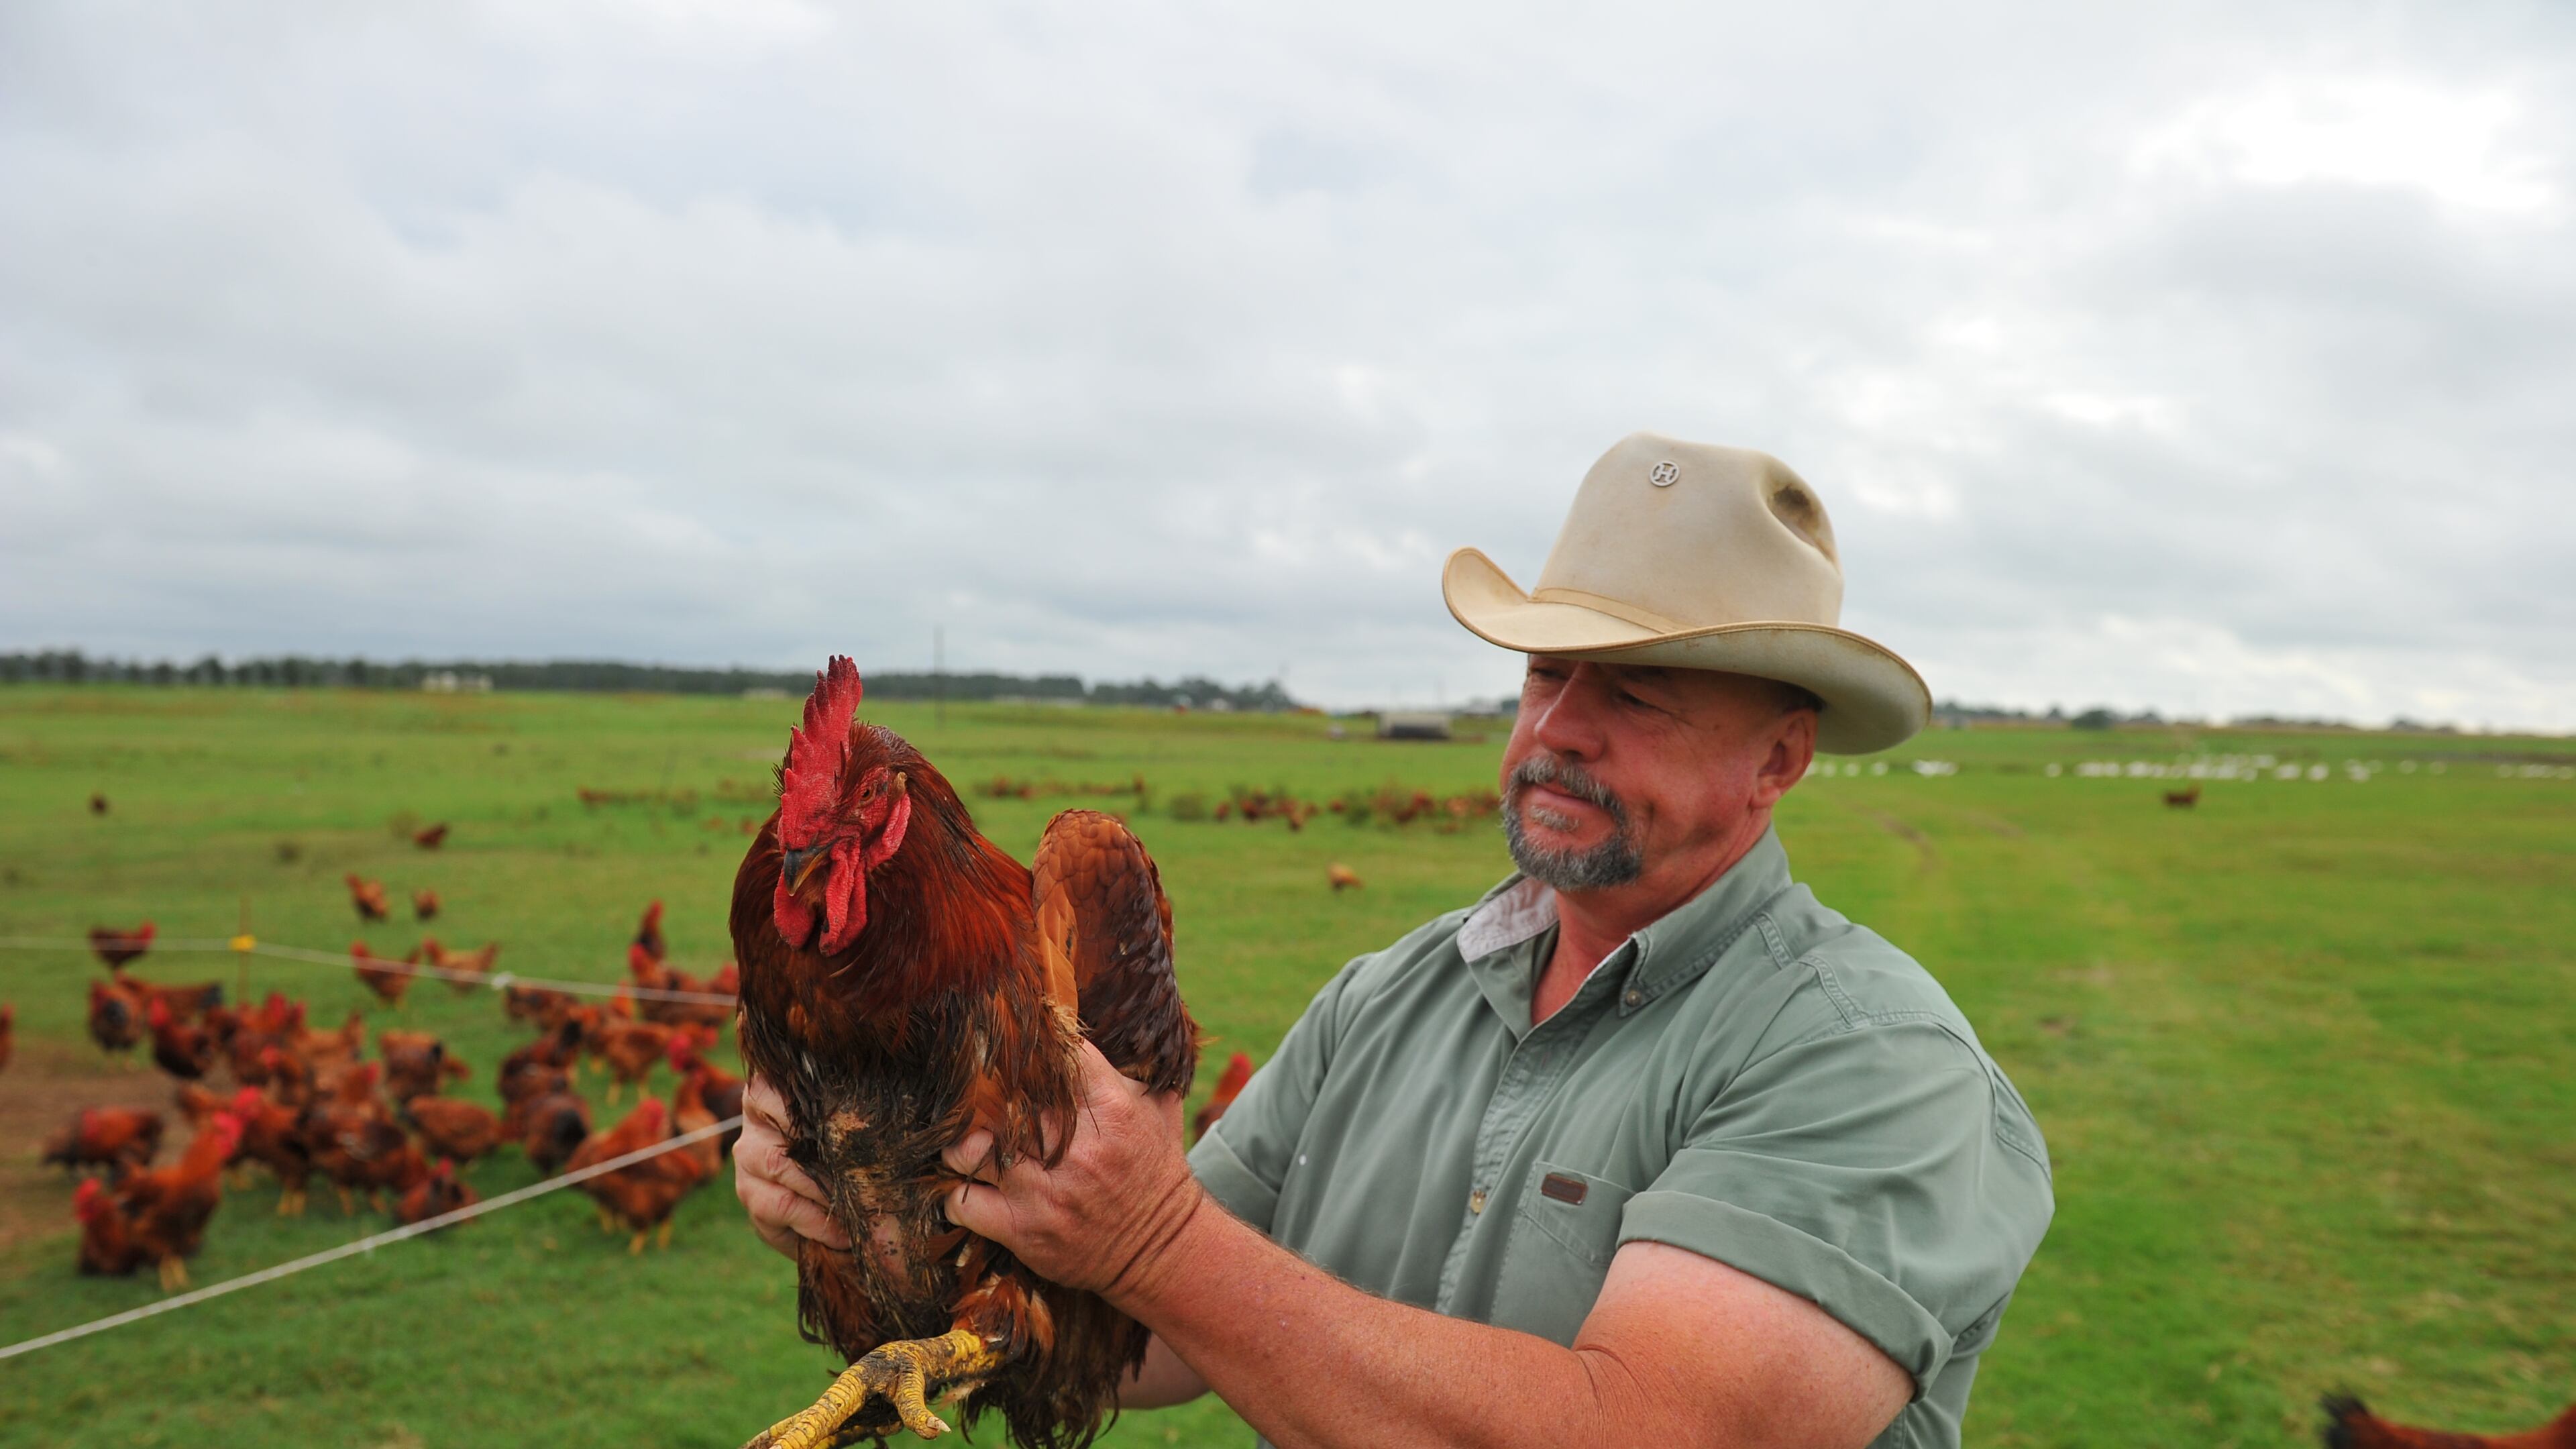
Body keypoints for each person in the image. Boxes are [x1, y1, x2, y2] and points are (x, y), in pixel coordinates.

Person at [737, 433, 2054, 1449]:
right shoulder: (1393, 999)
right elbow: (1155, 1341)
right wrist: (897, 1242)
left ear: (1779, 758)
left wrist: (1151, 1242)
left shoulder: (1869, 1061)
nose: (1556, 730)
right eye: (1546, 675)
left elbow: (1645, 1429)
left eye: (1636, 694)